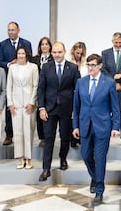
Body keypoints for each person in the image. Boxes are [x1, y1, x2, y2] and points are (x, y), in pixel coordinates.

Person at [72, 54, 120, 205]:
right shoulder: (81, 82)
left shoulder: (109, 82)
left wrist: (115, 126)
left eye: (93, 65)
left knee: (100, 159)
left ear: (100, 66)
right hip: (85, 125)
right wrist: (75, 126)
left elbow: (115, 107)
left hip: (103, 127)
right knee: (86, 156)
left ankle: (99, 189)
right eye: (88, 65)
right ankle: (95, 177)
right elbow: (76, 106)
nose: (90, 68)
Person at [37, 42, 80, 181]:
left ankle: (63, 158)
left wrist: (76, 110)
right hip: (49, 109)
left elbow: (77, 90)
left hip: (66, 109)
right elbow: (41, 89)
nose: (57, 55)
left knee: (65, 137)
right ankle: (46, 168)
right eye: (54, 52)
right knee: (48, 139)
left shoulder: (73, 68)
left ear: (65, 52)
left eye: (59, 52)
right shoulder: (46, 67)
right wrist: (41, 108)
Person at [0, 21, 33, 146]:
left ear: (18, 30)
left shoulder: (27, 43)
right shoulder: (3, 44)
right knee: (10, 107)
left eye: (13, 30)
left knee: (24, 108)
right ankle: (9, 134)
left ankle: (24, 134)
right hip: (11, 79)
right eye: (9, 30)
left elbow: (31, 60)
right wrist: (9, 64)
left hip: (25, 80)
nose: (10, 32)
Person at [7, 46, 39, 170]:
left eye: (23, 53)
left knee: (28, 132)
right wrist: (10, 103)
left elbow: (36, 86)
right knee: (18, 132)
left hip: (28, 105)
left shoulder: (33, 67)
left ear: (26, 55)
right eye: (19, 53)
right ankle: (21, 158)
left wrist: (32, 102)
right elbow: (9, 86)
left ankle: (29, 158)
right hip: (16, 104)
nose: (21, 55)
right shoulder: (12, 68)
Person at [101, 32, 121, 148]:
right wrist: (112, 80)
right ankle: (106, 136)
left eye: (120, 42)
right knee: (108, 111)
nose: (118, 44)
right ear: (112, 41)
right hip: (109, 87)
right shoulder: (105, 53)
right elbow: (103, 69)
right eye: (116, 42)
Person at [31, 37, 53, 147]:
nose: (44, 46)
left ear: (50, 46)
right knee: (39, 112)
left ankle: (49, 136)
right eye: (42, 44)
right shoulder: (34, 59)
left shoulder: (54, 59)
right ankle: (42, 137)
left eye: (46, 44)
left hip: (50, 89)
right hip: (37, 89)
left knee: (48, 112)